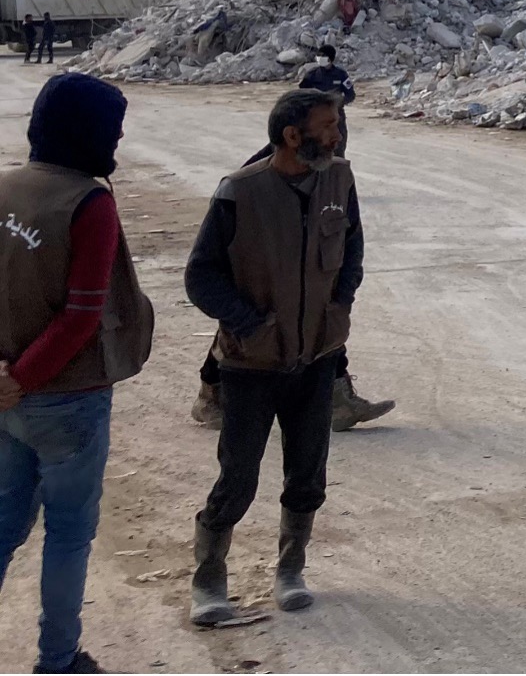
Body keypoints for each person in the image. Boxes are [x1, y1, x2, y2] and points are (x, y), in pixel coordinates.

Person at [185, 91, 364, 626]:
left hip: (315, 358)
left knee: (308, 474)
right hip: (251, 366)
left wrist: (339, 305)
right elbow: (201, 275)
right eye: (328, 126)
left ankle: (290, 571)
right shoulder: (239, 192)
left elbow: (352, 248)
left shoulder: (339, 180)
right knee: (237, 477)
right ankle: (209, 580)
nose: (337, 134)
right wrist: (249, 324)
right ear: (293, 135)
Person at [0, 75, 153, 675]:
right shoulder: (90, 203)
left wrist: (6, 380)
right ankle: (57, 661)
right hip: (64, 400)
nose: (116, 140)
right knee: (67, 535)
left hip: (5, 394)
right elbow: (83, 314)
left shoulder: (5, 187)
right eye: (112, 129)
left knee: (5, 523)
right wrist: (28, 378)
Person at [298, 45, 355, 158]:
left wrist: (337, 103)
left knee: (338, 148)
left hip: (336, 117)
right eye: (318, 55)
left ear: (330, 58)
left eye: (323, 56)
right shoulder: (311, 75)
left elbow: (350, 95)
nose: (319, 57)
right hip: (316, 118)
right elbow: (301, 94)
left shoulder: (341, 74)